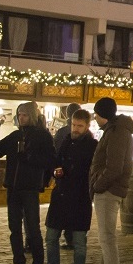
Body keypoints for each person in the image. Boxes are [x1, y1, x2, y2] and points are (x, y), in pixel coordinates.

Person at [0, 101, 55, 264]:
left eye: (25, 115)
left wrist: (29, 157)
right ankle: (18, 263)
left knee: (33, 227)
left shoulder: (42, 136)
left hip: (29, 187)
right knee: (14, 228)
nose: (21, 118)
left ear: (32, 116)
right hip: (13, 187)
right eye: (19, 114)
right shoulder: (15, 135)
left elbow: (49, 160)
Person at [38, 108, 97, 264]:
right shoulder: (66, 141)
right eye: (74, 125)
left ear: (87, 126)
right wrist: (57, 169)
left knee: (79, 241)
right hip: (61, 195)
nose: (76, 129)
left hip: (80, 198)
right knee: (51, 236)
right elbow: (57, 160)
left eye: (80, 126)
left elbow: (92, 171)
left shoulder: (92, 145)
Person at [82, 97, 133, 264]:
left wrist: (98, 184)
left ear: (102, 114)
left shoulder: (117, 132)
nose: (94, 117)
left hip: (109, 190)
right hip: (107, 189)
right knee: (105, 238)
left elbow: (114, 166)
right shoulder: (113, 130)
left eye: (96, 113)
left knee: (107, 238)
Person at [51, 102, 80, 250]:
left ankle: (67, 236)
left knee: (63, 206)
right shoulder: (83, 132)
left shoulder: (62, 131)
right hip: (75, 176)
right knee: (74, 206)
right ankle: (72, 237)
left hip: (63, 175)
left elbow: (55, 152)